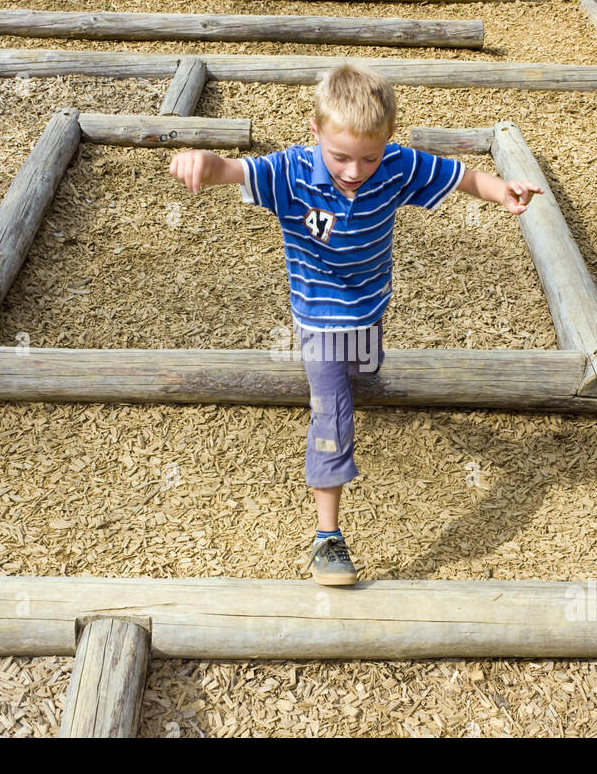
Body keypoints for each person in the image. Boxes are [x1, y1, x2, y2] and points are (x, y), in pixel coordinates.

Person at [169, 63, 542, 586]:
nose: (353, 170)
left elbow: (463, 177)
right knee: (333, 416)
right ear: (314, 130)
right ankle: (327, 538)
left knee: (365, 372)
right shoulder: (291, 173)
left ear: (389, 138)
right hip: (319, 318)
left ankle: (359, 377)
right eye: (340, 156)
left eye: (368, 157)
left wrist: (502, 191)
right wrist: (202, 162)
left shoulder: (395, 165)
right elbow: (231, 169)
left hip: (370, 306)